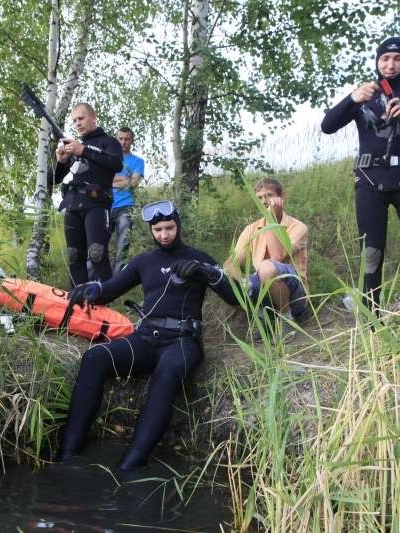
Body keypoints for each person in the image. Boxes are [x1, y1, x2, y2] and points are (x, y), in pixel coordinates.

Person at [56, 200, 240, 471]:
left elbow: (235, 298)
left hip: (182, 343)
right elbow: (109, 290)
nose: (164, 234)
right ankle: (67, 455)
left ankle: (129, 466)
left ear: (178, 225)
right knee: (95, 358)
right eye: (158, 229)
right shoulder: (144, 261)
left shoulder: (199, 258)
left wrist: (208, 272)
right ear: (151, 231)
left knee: (166, 374)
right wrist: (92, 289)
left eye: (169, 227)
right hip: (144, 339)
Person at [321, 37, 400, 311]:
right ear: (377, 61)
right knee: (371, 254)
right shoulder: (364, 95)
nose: (390, 65)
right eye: (385, 58)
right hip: (369, 181)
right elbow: (327, 126)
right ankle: (371, 314)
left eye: (397, 58)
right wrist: (352, 99)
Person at [224, 177, 309, 337]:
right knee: (223, 278)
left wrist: (272, 219)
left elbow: (278, 256)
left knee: (266, 267)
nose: (264, 201)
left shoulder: (298, 227)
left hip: (295, 295)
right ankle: (263, 318)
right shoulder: (252, 229)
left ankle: (286, 320)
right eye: (260, 198)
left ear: (281, 196)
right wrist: (243, 283)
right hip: (264, 290)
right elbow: (230, 263)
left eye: (269, 195)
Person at [53, 103, 123, 286]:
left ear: (93, 118)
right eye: (74, 120)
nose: (77, 123)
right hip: (72, 205)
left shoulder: (108, 142)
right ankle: (77, 304)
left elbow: (116, 164)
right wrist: (61, 162)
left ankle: (105, 301)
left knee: (96, 253)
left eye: (81, 118)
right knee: (74, 256)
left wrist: (83, 151)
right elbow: (54, 180)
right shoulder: (75, 147)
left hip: (96, 205)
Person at [109, 127, 145, 273]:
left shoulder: (138, 161)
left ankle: (115, 285)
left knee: (122, 249)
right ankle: (98, 285)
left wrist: (113, 181)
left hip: (126, 207)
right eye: (120, 139)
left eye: (127, 139)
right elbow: (103, 181)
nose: (123, 142)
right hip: (105, 206)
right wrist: (125, 179)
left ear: (132, 141)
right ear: (116, 140)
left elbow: (134, 183)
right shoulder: (109, 159)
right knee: (96, 248)